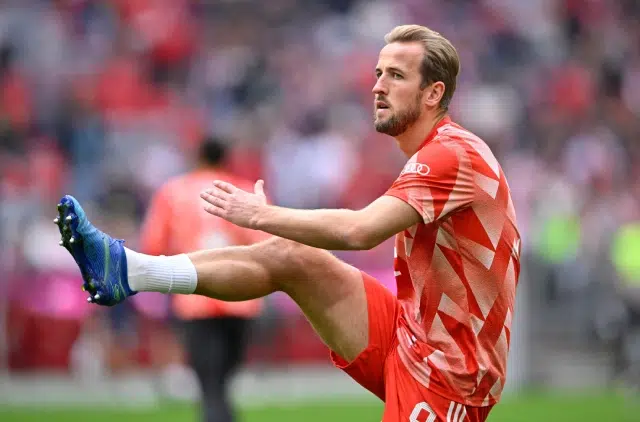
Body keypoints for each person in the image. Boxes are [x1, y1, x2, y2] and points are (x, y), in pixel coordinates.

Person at [54, 25, 521, 422]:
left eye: (396, 76)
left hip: (451, 374)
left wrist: (262, 215)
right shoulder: (435, 154)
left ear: (433, 93)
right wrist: (270, 224)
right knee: (291, 258)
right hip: (409, 335)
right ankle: (128, 271)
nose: (378, 86)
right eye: (378, 73)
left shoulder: (451, 154)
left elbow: (360, 231)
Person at [138, 136, 265, 422]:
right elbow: (264, 243)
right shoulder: (243, 190)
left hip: (195, 296)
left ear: (197, 157)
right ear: (226, 158)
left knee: (210, 382)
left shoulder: (172, 192)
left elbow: (153, 244)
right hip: (241, 298)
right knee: (222, 379)